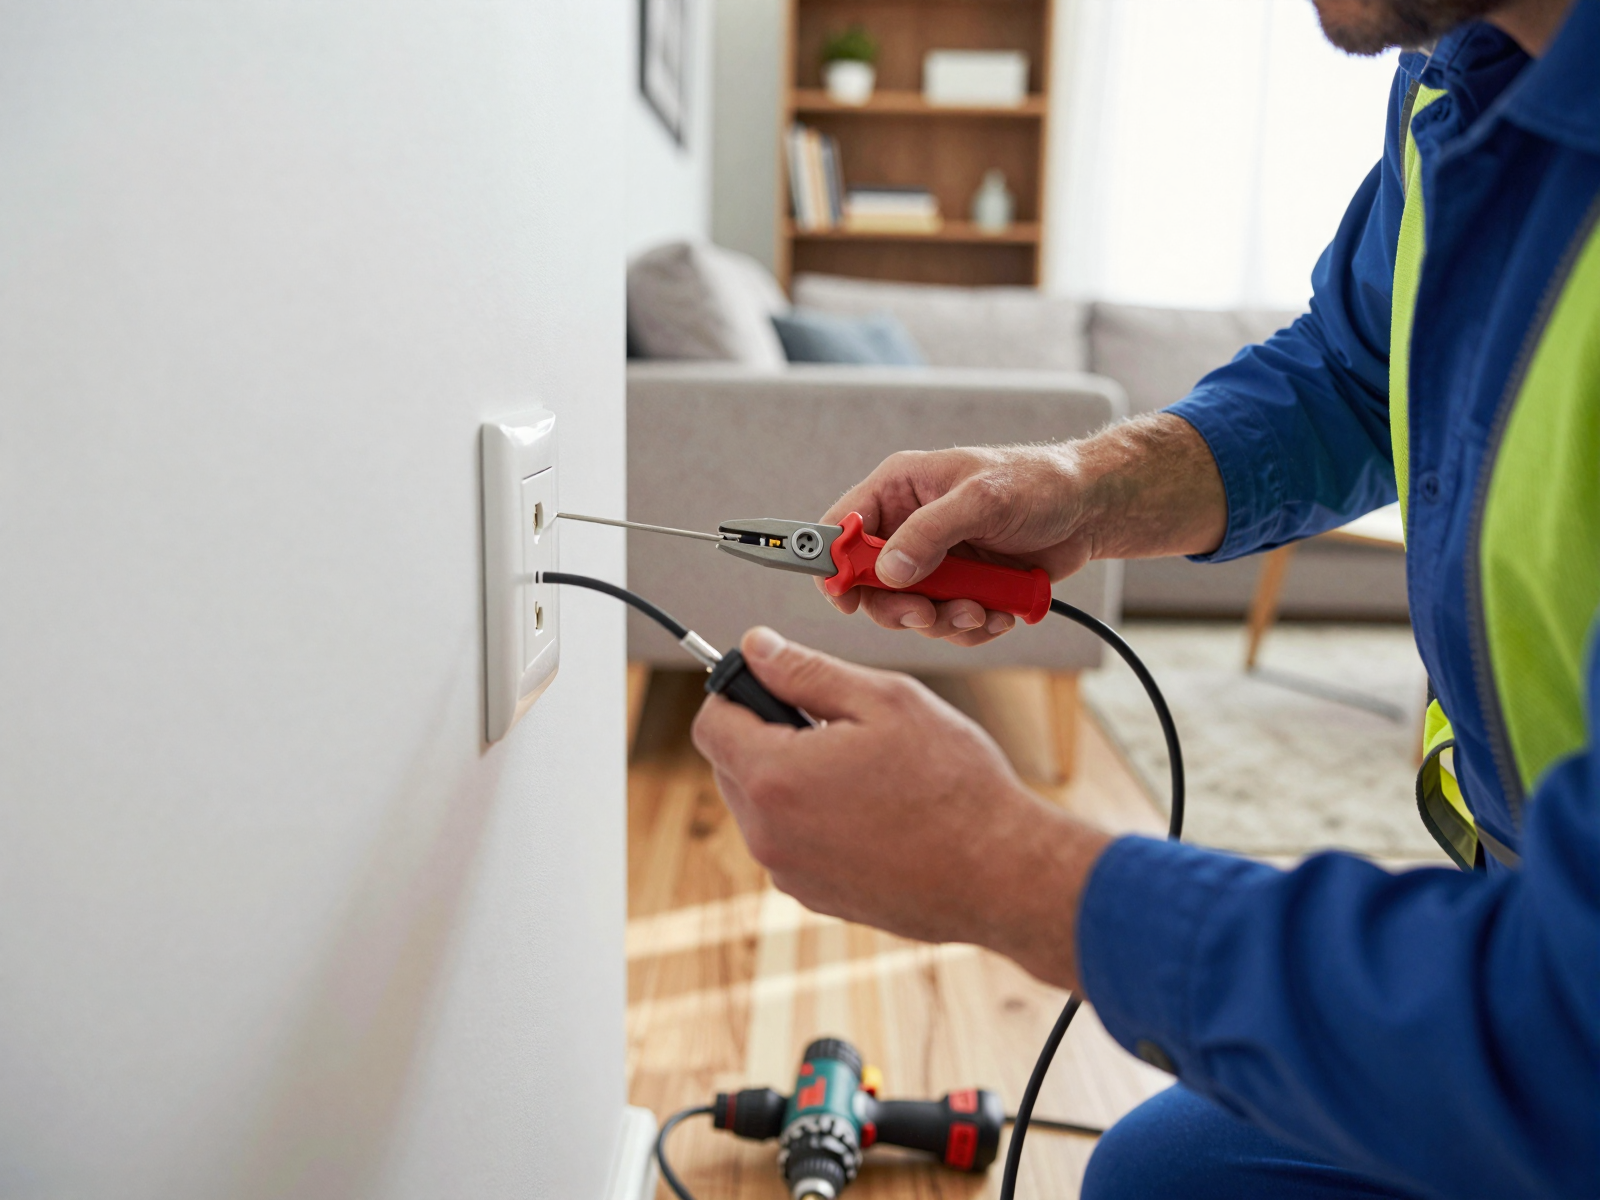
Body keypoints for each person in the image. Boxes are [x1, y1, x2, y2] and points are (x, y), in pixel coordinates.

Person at [690, 0, 1600, 1196]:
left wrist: (998, 864)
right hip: (1520, 889)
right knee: (1158, 1175)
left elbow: (1566, 1031)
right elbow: (1351, 374)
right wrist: (1083, 489)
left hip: (1563, 1007)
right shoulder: (1457, 71)